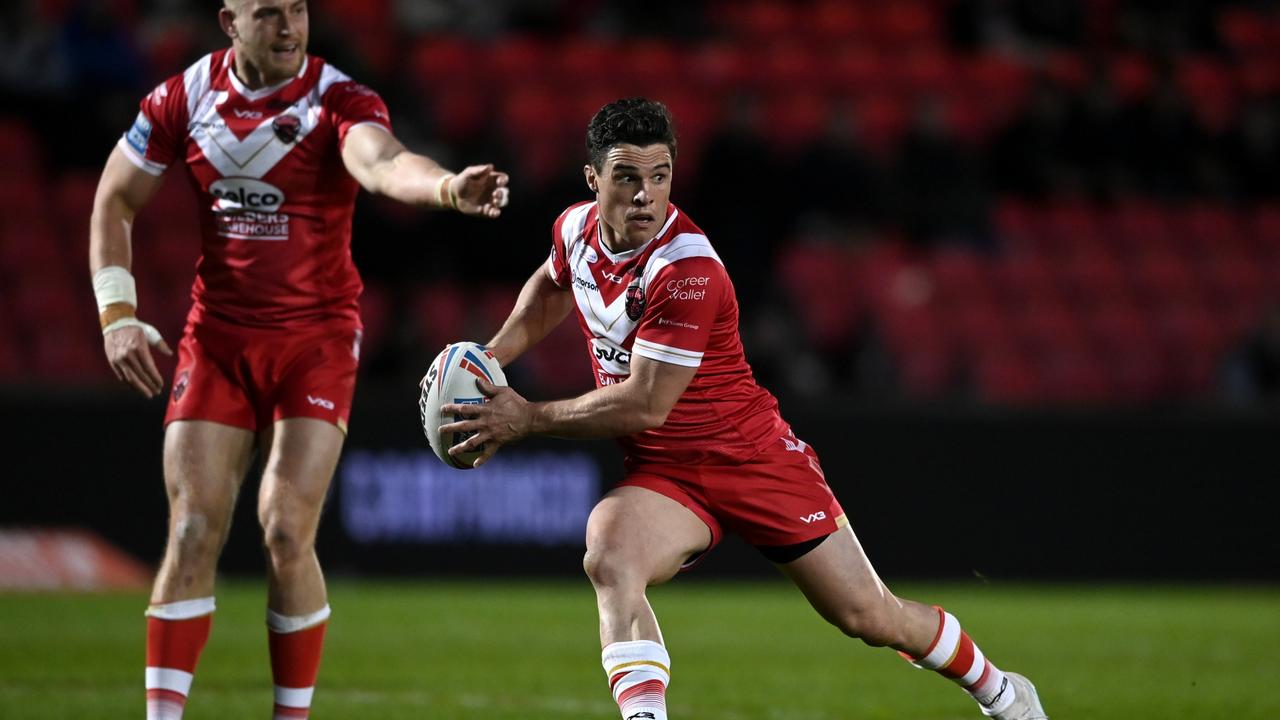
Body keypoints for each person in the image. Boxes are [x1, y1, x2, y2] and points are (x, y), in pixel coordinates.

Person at [440, 98, 1047, 720]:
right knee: (609, 554)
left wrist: (526, 416)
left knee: (870, 616)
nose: (646, 194)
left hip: (752, 456)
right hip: (669, 476)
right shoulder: (574, 229)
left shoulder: (688, 269)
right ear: (593, 178)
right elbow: (552, 284)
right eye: (628, 177)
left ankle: (1001, 691)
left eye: (660, 175)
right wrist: (491, 355)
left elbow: (646, 404)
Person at [87, 2, 509, 719]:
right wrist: (118, 313)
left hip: (314, 343)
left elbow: (384, 164)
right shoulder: (181, 99)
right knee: (192, 529)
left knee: (285, 527)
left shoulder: (336, 98)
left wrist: (443, 188)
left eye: (299, 11)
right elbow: (113, 199)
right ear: (230, 21)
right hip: (218, 340)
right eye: (270, 13)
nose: (290, 27)